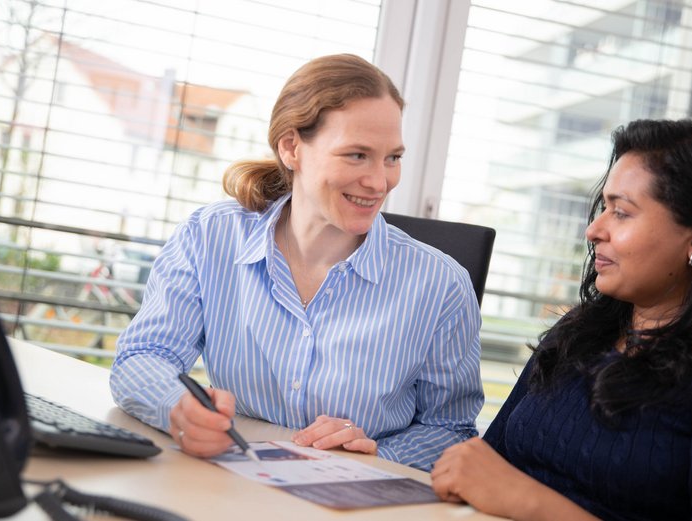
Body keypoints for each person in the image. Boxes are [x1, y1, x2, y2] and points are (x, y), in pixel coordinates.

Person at [110, 53, 484, 471]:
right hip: (228, 481)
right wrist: (175, 407)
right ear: (291, 147)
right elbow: (143, 355)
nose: (380, 182)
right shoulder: (209, 236)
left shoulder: (441, 284)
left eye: (392, 157)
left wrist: (378, 455)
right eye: (357, 155)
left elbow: (452, 428)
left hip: (354, 500)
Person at [431, 116, 692, 520]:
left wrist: (534, 505)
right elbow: (486, 465)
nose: (593, 229)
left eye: (622, 213)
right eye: (604, 207)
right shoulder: (580, 331)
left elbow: (510, 488)